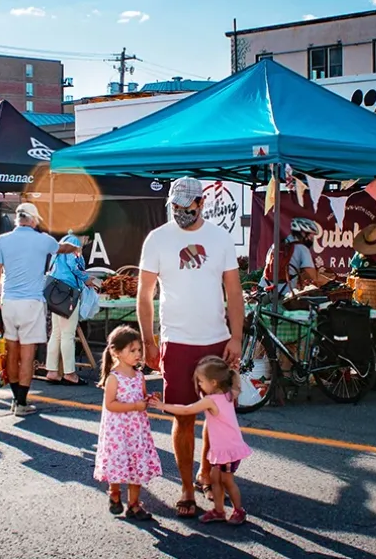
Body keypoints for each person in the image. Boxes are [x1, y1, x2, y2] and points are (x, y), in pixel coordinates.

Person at [137, 176, 243, 519]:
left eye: (188, 207)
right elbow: (144, 294)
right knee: (182, 418)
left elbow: (235, 292)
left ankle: (205, 472)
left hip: (214, 338)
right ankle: (186, 487)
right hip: (177, 341)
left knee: (216, 414)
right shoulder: (157, 238)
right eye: (176, 207)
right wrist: (149, 340)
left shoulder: (219, 237)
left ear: (201, 203)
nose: (182, 212)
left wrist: (236, 336)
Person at [152, 356, 252, 526]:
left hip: (228, 450)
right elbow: (237, 385)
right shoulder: (228, 394)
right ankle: (219, 511)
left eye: (201, 381)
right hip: (223, 449)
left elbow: (187, 410)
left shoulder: (210, 401)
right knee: (215, 478)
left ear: (213, 382)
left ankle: (239, 510)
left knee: (227, 480)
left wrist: (163, 406)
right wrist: (233, 370)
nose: (199, 385)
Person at [0, 203, 59, 417]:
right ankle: (21, 402)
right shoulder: (44, 240)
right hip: (32, 303)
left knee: (12, 351)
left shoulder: (3, 239)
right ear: (33, 220)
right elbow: (60, 250)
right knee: (27, 355)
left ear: (17, 219)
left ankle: (14, 399)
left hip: (8, 300)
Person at [94, 326, 162, 521]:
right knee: (118, 464)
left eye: (139, 350)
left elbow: (140, 397)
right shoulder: (113, 378)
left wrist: (148, 400)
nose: (138, 354)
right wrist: (134, 406)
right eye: (132, 350)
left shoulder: (139, 375)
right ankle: (114, 492)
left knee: (136, 464)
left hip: (136, 430)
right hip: (118, 431)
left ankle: (134, 504)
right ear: (116, 352)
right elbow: (110, 405)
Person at [44, 233, 98, 386]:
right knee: (68, 334)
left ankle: (52, 371)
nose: (85, 244)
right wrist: (86, 279)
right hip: (67, 291)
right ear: (84, 236)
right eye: (87, 240)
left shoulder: (62, 242)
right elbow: (74, 265)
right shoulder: (73, 242)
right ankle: (70, 373)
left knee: (56, 333)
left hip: (54, 289)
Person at [259, 218, 328, 296]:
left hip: (264, 289)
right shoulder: (302, 249)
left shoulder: (275, 245)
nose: (312, 240)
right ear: (303, 233)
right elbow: (314, 277)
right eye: (311, 237)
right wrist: (331, 282)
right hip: (284, 294)